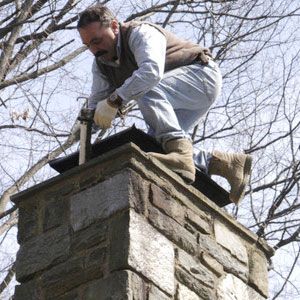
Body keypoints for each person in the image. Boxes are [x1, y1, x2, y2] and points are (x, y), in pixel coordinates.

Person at [77, 5, 252, 204]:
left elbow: (151, 72)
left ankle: (182, 155)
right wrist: (83, 128)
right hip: (175, 95)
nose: (94, 50)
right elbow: (95, 101)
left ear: (115, 26)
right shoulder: (101, 65)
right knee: (156, 144)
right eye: (88, 45)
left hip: (201, 77)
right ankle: (226, 164)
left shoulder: (140, 33)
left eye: (97, 41)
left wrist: (115, 100)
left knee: (148, 88)